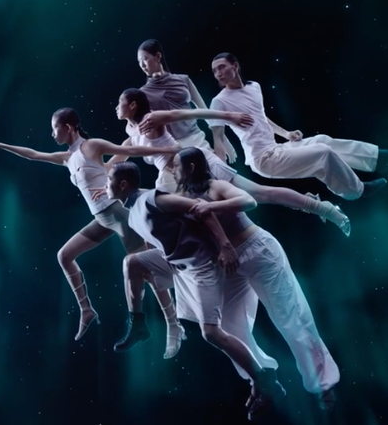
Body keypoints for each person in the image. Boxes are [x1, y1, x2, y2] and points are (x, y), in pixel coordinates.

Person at [123, 149, 341, 411]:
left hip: (258, 252)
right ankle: (262, 376)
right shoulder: (176, 196)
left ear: (191, 168)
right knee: (230, 327)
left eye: (177, 166)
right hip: (226, 264)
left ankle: (324, 383)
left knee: (290, 316)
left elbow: (249, 201)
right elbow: (150, 204)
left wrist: (211, 206)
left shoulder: (215, 186)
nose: (173, 171)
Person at [0, 108, 183, 347]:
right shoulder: (67, 157)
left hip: (119, 215)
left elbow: (130, 151)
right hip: (101, 219)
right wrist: (2, 145)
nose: (52, 133)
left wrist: (168, 150)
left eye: (55, 128)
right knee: (64, 256)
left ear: (68, 127)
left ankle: (165, 323)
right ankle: (87, 310)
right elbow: (34, 155)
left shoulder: (91, 146)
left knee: (147, 271)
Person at [105, 161, 286, 421]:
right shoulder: (132, 211)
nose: (105, 185)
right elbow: (156, 237)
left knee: (211, 332)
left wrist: (225, 246)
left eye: (108, 180)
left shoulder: (154, 199)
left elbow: (200, 209)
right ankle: (138, 324)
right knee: (132, 262)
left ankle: (265, 381)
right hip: (177, 262)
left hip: (203, 265)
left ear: (123, 184)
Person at [118, 88, 351, 235]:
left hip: (199, 164)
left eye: (120, 102)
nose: (117, 107)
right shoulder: (131, 130)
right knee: (169, 214)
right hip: (175, 178)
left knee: (260, 194)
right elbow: (122, 152)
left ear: (133, 105)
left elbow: (190, 114)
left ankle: (323, 208)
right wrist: (102, 174)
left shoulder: (153, 119)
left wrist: (228, 116)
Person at [207, 53, 388, 200]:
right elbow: (218, 137)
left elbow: (262, 118)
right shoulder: (220, 102)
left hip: (277, 148)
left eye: (221, 67)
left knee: (322, 140)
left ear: (235, 66)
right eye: (215, 70)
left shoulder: (254, 87)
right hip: (264, 159)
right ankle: (358, 190)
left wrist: (287, 134)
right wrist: (221, 175)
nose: (218, 73)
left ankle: (378, 157)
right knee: (322, 153)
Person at [137, 39, 238, 160]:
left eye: (144, 59)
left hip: (196, 139)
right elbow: (142, 126)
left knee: (217, 169)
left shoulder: (183, 80)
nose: (142, 65)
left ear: (158, 56)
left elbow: (204, 111)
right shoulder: (142, 93)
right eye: (139, 61)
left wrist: (224, 141)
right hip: (171, 147)